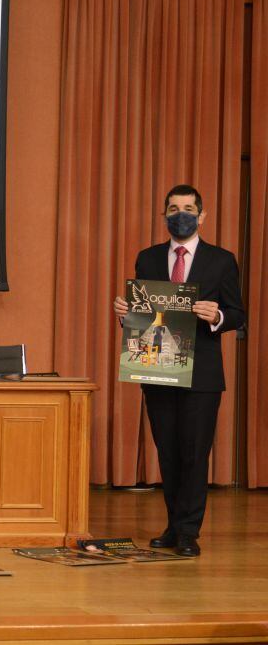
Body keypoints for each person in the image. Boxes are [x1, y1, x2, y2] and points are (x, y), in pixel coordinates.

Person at [113, 184, 245, 557]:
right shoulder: (148, 258)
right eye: (173, 208)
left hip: (202, 374)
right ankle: (173, 526)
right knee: (168, 452)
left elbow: (238, 313)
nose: (180, 214)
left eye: (188, 208)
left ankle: (189, 531)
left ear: (201, 216)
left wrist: (217, 315)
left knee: (194, 453)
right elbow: (143, 317)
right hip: (157, 369)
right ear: (164, 215)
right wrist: (125, 316)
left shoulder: (222, 260)